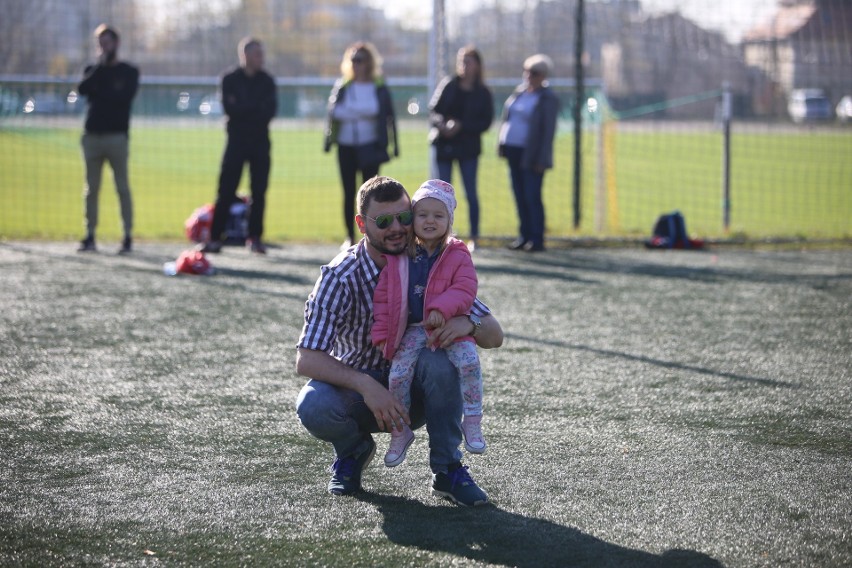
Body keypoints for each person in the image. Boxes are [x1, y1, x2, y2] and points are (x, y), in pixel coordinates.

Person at [295, 176, 503, 507]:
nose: (397, 228)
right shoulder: (339, 276)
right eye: (383, 221)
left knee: (440, 362)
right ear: (362, 224)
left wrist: (468, 322)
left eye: (405, 217)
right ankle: (353, 451)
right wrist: (365, 385)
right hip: (359, 393)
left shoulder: (429, 262)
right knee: (313, 406)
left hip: (415, 396)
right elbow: (306, 359)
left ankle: (447, 469)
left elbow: (494, 335)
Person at [372, 179, 487, 469]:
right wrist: (382, 333)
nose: (430, 221)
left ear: (449, 220)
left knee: (469, 363)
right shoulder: (402, 255)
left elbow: (465, 288)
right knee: (398, 375)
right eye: (422, 215)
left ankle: (471, 420)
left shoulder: (458, 253)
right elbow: (386, 298)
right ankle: (401, 431)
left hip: (447, 328)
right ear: (413, 218)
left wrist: (441, 309)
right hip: (412, 330)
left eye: (438, 215)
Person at [201, 37, 277, 255]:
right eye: (257, 54)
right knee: (225, 190)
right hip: (235, 143)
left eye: (262, 54)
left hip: (260, 143)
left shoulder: (267, 81)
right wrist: (253, 108)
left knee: (259, 192)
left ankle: (255, 237)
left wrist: (243, 108)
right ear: (244, 55)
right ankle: (215, 238)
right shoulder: (229, 79)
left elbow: (268, 112)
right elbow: (230, 109)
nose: (261, 58)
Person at [324, 42, 399, 248]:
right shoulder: (343, 86)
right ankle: (349, 236)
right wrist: (362, 112)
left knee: (370, 196)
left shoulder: (379, 86)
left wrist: (353, 111)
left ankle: (371, 237)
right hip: (346, 146)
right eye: (353, 59)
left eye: (360, 60)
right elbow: (335, 112)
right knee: (349, 192)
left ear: (369, 63)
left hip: (371, 147)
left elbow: (380, 112)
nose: (356, 64)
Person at [77, 24, 140, 254]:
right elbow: (82, 90)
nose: (104, 47)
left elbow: (122, 98)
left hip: (117, 138)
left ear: (117, 43)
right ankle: (90, 235)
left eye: (108, 42)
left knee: (122, 187)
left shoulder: (129, 71)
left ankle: (127, 236)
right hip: (92, 137)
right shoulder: (93, 70)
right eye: (100, 43)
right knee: (91, 189)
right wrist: (100, 68)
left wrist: (102, 90)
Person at [428, 46, 494, 252]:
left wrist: (462, 126)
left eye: (468, 61)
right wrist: (443, 126)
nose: (463, 65)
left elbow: (486, 122)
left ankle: (475, 236)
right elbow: (434, 111)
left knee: (470, 193)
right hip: (444, 147)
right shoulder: (449, 84)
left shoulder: (483, 93)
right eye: (461, 60)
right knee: (441, 194)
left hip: (468, 149)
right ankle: (441, 237)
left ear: (477, 65)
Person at [498, 54, 560, 253]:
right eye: (527, 71)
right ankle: (523, 235)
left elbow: (547, 132)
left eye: (534, 73)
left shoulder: (548, 99)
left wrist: (541, 159)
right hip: (513, 151)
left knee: (532, 195)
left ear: (543, 75)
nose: (529, 76)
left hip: (531, 155)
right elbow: (507, 119)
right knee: (519, 195)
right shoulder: (519, 93)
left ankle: (537, 238)